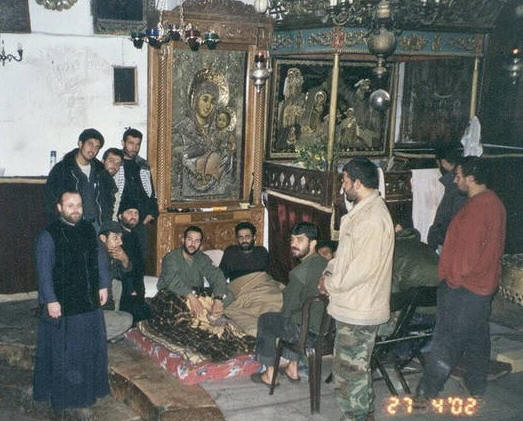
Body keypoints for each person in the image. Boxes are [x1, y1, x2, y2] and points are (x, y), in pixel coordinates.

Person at [415, 157, 506, 403]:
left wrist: (452, 281)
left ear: (471, 178)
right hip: (482, 285)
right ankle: (476, 385)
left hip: (465, 287)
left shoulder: (478, 208)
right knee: (477, 336)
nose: (455, 180)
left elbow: (467, 254)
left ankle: (427, 391)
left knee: (446, 338)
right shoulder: (493, 202)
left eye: (458, 176)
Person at [318, 157, 394, 421]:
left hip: (360, 307)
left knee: (349, 372)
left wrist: (331, 284)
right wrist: (329, 271)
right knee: (355, 368)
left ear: (358, 182)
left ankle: (356, 416)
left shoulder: (372, 219)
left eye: (345, 181)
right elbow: (346, 256)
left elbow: (361, 269)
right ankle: (362, 414)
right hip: (353, 304)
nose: (343, 187)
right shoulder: (362, 212)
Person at [33, 191, 110, 418]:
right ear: (59, 208)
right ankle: (69, 399)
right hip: (65, 306)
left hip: (89, 302)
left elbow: (99, 258)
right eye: (70, 205)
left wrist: (103, 284)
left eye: (78, 205)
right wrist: (50, 299)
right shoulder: (49, 235)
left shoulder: (89, 229)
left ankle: (89, 392)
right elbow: (43, 271)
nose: (75, 209)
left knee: (91, 350)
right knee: (67, 355)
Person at [251, 222, 327, 387]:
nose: (293, 244)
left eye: (300, 240)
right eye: (292, 239)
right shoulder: (325, 263)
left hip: (305, 334)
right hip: (326, 331)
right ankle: (292, 368)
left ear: (313, 243)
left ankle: (269, 374)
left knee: (267, 320)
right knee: (296, 317)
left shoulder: (299, 273)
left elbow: (287, 309)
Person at [44, 128, 114, 232]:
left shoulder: (101, 171)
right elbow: (50, 201)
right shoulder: (62, 170)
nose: (93, 149)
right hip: (71, 226)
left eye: (97, 147)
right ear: (80, 143)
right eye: (90, 144)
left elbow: (108, 200)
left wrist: (106, 225)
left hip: (97, 226)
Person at [220, 222, 283, 336]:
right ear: (237, 239)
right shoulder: (230, 252)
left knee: (278, 298)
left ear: (254, 237)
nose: (244, 240)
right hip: (243, 290)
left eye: (247, 237)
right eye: (240, 237)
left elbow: (269, 274)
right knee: (236, 310)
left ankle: (274, 322)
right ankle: (265, 326)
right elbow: (220, 277)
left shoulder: (262, 251)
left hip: (264, 286)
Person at [157, 225, 232, 317]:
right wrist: (192, 297)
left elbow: (216, 276)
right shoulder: (171, 257)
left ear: (200, 244)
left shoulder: (202, 258)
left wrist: (218, 299)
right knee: (176, 304)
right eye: (190, 239)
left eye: (197, 241)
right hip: (174, 292)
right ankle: (206, 313)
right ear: (183, 240)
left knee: (228, 295)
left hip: (196, 292)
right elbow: (172, 280)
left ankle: (211, 311)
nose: (193, 244)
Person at [113, 127, 159, 257]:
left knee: (140, 258)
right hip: (119, 222)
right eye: (131, 143)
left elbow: (151, 192)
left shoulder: (143, 164)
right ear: (123, 143)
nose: (134, 147)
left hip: (140, 222)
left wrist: (151, 213)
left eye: (138, 144)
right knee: (120, 257)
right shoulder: (115, 163)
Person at [427, 145, 466, 252]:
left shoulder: (455, 187)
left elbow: (444, 219)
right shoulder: (456, 185)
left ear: (443, 163)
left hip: (448, 244)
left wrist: (433, 241)